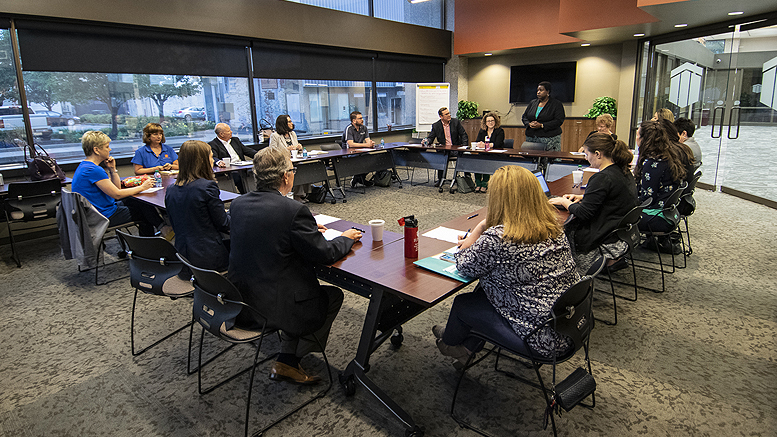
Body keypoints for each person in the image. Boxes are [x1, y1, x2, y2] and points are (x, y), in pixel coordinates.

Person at [228, 146, 362, 384]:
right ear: (285, 177)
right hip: (274, 306)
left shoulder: (238, 204)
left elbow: (266, 231)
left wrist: (305, 230)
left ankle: (288, 356)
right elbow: (324, 253)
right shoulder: (293, 210)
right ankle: (288, 358)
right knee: (331, 296)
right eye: (293, 169)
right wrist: (346, 238)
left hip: (240, 299)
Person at [432, 165, 580, 369]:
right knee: (485, 288)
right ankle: (466, 347)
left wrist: (481, 228)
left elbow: (462, 263)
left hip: (541, 339)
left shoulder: (498, 237)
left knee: (463, 304)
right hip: (570, 325)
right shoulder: (554, 227)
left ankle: (450, 342)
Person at [550, 133, 637, 274]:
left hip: (602, 235)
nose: (585, 157)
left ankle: (564, 270)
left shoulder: (602, 177)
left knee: (563, 226)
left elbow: (584, 213)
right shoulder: (622, 170)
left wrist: (563, 201)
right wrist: (585, 197)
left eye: (586, 153)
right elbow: (613, 197)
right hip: (620, 231)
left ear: (597, 154)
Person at [72, 130, 170, 238]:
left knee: (140, 203)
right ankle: (150, 245)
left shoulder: (85, 166)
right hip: (103, 215)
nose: (109, 149)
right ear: (96, 150)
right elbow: (117, 194)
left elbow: (116, 188)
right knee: (144, 214)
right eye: (107, 146)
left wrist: (112, 170)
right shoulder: (94, 170)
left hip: (96, 210)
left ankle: (163, 228)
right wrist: (142, 187)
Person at [164, 140, 230, 277]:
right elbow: (224, 224)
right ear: (202, 161)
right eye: (211, 157)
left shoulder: (170, 190)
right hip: (209, 258)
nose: (212, 161)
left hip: (183, 259)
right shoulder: (206, 187)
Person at [635, 120, 693, 253]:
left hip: (658, 217)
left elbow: (646, 200)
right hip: (670, 213)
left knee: (611, 214)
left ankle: (615, 257)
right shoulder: (668, 157)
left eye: (638, 134)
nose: (636, 137)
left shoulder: (652, 163)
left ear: (645, 139)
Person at [424, 107, 469, 185]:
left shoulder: (456, 122)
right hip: (443, 150)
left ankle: (468, 179)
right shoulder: (436, 125)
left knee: (466, 156)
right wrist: (426, 141)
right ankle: (440, 179)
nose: (449, 115)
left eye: (449, 113)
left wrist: (464, 146)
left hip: (456, 149)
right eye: (446, 114)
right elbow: (431, 137)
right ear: (441, 117)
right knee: (440, 157)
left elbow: (463, 135)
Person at [209, 122, 257, 194]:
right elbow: (214, 157)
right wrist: (219, 162)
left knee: (255, 172)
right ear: (221, 134)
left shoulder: (235, 140)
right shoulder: (213, 144)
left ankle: (255, 193)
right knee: (238, 176)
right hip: (230, 169)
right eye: (228, 130)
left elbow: (247, 151)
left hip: (242, 166)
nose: (231, 131)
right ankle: (245, 194)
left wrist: (261, 154)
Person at [270, 114, 310, 202]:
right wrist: (287, 149)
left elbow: (297, 148)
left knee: (304, 168)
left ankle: (300, 194)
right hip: (282, 162)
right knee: (291, 170)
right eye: (289, 121)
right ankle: (292, 195)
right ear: (283, 123)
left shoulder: (293, 134)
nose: (291, 123)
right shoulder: (275, 136)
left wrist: (299, 147)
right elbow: (272, 151)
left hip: (295, 160)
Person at [522, 81, 566, 151]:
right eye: (537, 90)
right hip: (532, 138)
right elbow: (524, 117)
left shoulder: (556, 104)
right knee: (532, 160)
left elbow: (558, 120)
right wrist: (529, 124)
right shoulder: (532, 103)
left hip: (549, 138)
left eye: (541, 90)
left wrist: (542, 125)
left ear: (548, 92)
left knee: (547, 160)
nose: (538, 92)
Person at [341, 111, 376, 187]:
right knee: (362, 160)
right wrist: (366, 145)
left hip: (360, 152)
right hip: (349, 154)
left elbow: (368, 140)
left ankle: (359, 178)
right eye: (360, 118)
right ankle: (359, 178)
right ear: (354, 120)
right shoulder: (349, 129)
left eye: (362, 118)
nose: (362, 120)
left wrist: (371, 143)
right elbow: (350, 144)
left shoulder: (364, 128)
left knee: (372, 159)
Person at [473, 112, 505, 193]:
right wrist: (480, 144)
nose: (490, 123)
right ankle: (478, 183)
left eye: (492, 120)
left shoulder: (500, 131)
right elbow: (478, 141)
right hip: (483, 153)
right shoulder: (482, 131)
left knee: (486, 162)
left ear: (496, 121)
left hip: (495, 155)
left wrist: (485, 145)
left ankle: (484, 184)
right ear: (485, 123)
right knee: (477, 162)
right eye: (488, 121)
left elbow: (497, 144)